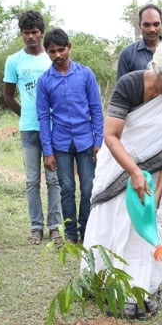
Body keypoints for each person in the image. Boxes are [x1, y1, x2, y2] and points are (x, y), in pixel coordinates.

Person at [83, 39, 162, 320]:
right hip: (118, 166)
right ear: (156, 68)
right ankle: (103, 283)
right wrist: (134, 172)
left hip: (153, 176)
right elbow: (111, 136)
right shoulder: (129, 84)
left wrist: (159, 191)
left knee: (143, 228)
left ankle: (141, 289)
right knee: (111, 222)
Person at [117, 4, 162, 239]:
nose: (152, 29)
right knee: (139, 171)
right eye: (147, 24)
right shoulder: (129, 54)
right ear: (140, 26)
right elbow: (122, 92)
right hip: (139, 125)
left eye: (156, 24)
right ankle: (134, 219)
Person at [36, 29, 103, 244]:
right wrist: (48, 151)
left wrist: (98, 140)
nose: (58, 55)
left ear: (69, 47)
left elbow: (96, 109)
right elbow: (43, 117)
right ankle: (71, 235)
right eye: (52, 51)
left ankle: (87, 231)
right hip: (61, 143)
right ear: (47, 53)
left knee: (88, 188)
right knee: (66, 189)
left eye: (61, 49)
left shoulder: (85, 74)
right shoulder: (45, 81)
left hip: (85, 141)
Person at [3, 11, 62, 246]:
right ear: (22, 34)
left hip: (55, 128)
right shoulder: (14, 61)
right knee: (31, 180)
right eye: (26, 33)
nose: (31, 37)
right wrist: (27, 114)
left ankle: (54, 227)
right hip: (29, 129)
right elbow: (7, 96)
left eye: (35, 32)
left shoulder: (51, 58)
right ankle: (36, 227)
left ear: (42, 33)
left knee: (54, 179)